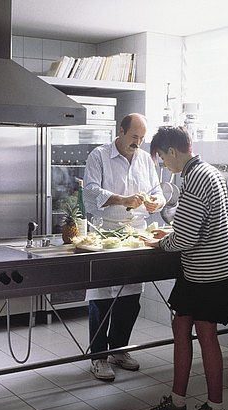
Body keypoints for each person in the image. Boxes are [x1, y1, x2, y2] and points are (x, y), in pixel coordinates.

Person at [141, 126, 228, 410]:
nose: (163, 165)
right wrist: (171, 233)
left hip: (208, 274)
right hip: (199, 270)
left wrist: (160, 243)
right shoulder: (207, 171)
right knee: (180, 325)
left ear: (172, 151)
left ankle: (215, 408)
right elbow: (193, 227)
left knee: (206, 335)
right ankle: (177, 401)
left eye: (161, 158)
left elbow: (185, 238)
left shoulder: (196, 179)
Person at [83, 113, 165, 381]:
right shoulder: (99, 156)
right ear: (120, 131)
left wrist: (156, 202)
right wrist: (124, 199)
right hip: (104, 231)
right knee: (101, 297)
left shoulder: (144, 159)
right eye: (134, 137)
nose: (138, 143)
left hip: (136, 233)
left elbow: (158, 191)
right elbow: (91, 192)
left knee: (131, 296)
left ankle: (118, 350)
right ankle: (98, 357)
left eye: (142, 138)